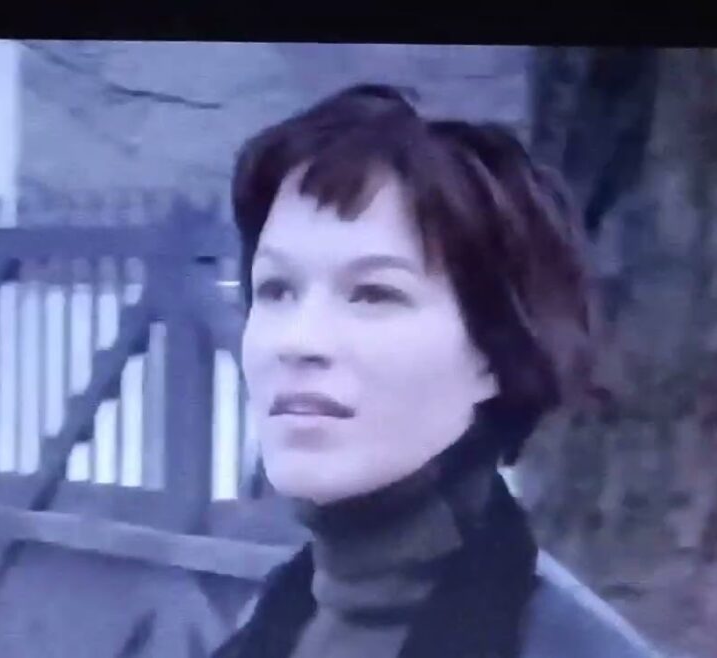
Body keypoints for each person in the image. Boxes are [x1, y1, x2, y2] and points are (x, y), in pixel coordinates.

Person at [214, 83, 657, 658]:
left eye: (373, 293)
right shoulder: (271, 620)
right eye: (276, 289)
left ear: (496, 349)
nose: (298, 341)